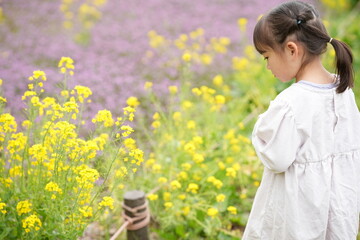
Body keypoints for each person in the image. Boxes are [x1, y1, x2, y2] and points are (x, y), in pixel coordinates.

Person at [242, 1, 360, 239]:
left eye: (266, 57)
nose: (267, 66)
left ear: (292, 50)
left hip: (299, 217)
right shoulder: (343, 90)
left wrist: (260, 130)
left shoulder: (291, 104)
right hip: (338, 209)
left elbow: (276, 158)